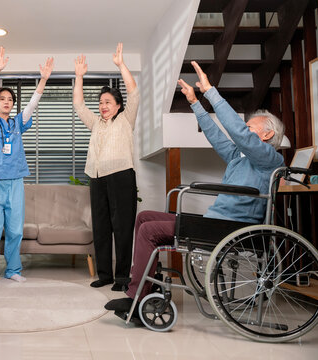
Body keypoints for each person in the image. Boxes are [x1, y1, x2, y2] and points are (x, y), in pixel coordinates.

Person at [104, 61, 285, 322]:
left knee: (148, 231)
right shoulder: (241, 157)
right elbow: (216, 135)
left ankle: (135, 299)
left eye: (250, 128)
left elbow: (235, 130)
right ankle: (146, 287)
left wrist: (210, 91)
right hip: (216, 223)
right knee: (144, 218)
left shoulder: (269, 159)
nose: (244, 131)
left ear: (267, 135)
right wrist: (195, 102)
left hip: (229, 229)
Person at [0, 46, 54, 285]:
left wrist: (43, 80)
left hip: (15, 181)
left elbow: (32, 104)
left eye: (10, 99)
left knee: (14, 229)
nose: (7, 102)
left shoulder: (18, 123)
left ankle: (13, 269)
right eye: (3, 99)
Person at [73, 43, 140, 291]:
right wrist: (79, 77)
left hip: (121, 176)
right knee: (101, 227)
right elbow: (79, 105)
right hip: (97, 177)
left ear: (118, 106)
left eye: (108, 102)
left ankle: (122, 277)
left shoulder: (125, 119)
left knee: (122, 229)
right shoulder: (96, 123)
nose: (103, 106)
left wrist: (121, 65)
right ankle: (104, 274)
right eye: (101, 102)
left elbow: (134, 93)